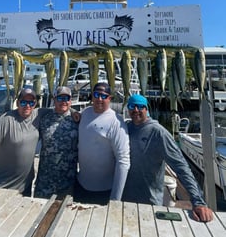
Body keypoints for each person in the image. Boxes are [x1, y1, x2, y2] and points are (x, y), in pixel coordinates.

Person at [122, 94, 213, 222]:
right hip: (124, 201)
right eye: (132, 106)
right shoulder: (126, 128)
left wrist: (198, 201)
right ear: (128, 109)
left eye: (140, 106)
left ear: (146, 109)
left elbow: (181, 167)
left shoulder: (159, 133)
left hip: (149, 203)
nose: (136, 110)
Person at [0, 88, 42, 200]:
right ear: (18, 103)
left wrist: (74, 113)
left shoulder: (38, 115)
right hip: (2, 187)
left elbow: (60, 109)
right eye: (23, 102)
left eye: (31, 102)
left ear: (35, 104)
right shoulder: (5, 119)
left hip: (26, 187)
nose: (27, 106)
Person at [74, 82, 130, 205]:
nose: (99, 99)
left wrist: (115, 198)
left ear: (109, 98)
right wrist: (74, 114)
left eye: (104, 96)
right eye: (96, 94)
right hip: (80, 185)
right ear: (92, 96)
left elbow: (123, 160)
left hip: (104, 192)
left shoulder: (117, 122)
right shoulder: (85, 113)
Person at [34, 86, 79, 199]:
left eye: (67, 98)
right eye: (60, 98)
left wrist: (74, 111)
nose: (63, 102)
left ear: (70, 101)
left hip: (67, 185)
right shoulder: (44, 119)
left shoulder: (78, 120)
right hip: (44, 184)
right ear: (54, 100)